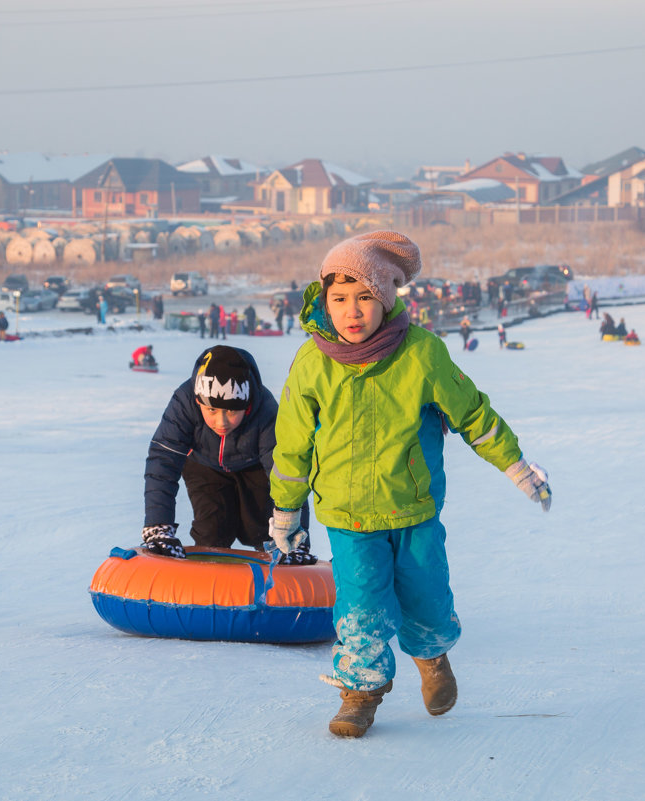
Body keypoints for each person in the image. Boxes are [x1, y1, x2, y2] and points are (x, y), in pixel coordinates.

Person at [268, 231, 552, 738]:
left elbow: (472, 415)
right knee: (360, 605)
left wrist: (515, 464)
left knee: (426, 594)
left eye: (365, 298)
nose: (352, 312)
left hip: (414, 509)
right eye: (339, 299)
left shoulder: (420, 354)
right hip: (348, 515)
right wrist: (286, 510)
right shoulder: (312, 364)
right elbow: (291, 446)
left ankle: (432, 657)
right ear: (323, 302)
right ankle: (359, 691)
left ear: (386, 299)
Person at [142, 345, 315, 564]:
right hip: (204, 466)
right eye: (211, 410)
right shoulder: (184, 402)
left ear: (247, 405)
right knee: (212, 530)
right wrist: (159, 526)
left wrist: (295, 540)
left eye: (232, 411)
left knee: (261, 528)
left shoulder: (266, 411)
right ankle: (205, 581)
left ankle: (275, 571)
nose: (221, 422)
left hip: (255, 469)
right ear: (198, 401)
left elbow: (286, 473)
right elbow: (163, 462)